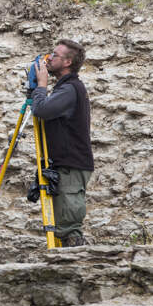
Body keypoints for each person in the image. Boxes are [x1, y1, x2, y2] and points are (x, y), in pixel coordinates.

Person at [31, 39, 94, 247]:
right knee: (63, 224)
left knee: (69, 227)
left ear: (67, 62)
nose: (48, 58)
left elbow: (41, 110)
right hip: (66, 164)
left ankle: (77, 268)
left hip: (71, 165)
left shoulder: (69, 89)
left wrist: (41, 86)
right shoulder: (66, 88)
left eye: (54, 55)